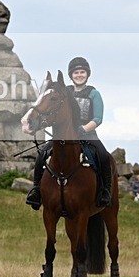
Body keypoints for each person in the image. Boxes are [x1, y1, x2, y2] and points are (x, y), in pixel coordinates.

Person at [26, 57, 113, 210]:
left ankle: (105, 191)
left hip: (87, 134)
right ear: (71, 75)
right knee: (42, 155)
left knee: (103, 156)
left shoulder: (94, 94)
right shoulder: (65, 92)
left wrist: (83, 129)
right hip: (64, 135)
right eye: (76, 72)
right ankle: (36, 191)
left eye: (82, 72)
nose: (79, 75)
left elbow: (98, 118)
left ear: (87, 74)